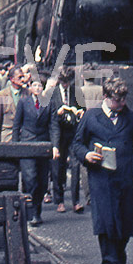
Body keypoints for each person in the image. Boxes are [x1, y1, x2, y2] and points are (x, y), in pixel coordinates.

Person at [71, 77, 133, 264]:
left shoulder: (132, 118)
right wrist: (86, 155)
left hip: (126, 178)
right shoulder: (91, 117)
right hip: (101, 179)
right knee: (106, 221)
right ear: (106, 97)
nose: (122, 103)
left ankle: (119, 250)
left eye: (124, 99)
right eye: (118, 100)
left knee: (126, 222)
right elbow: (76, 144)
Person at [13, 73, 57, 226]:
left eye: (40, 86)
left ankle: (37, 211)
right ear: (30, 87)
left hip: (43, 145)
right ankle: (30, 212)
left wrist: (55, 146)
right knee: (30, 178)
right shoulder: (23, 102)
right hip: (27, 144)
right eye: (35, 85)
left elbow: (53, 126)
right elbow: (16, 125)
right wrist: (15, 147)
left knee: (42, 181)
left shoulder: (49, 103)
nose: (37, 88)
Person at [51, 68, 84, 213]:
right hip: (59, 134)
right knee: (58, 167)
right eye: (63, 82)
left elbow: (83, 108)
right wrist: (58, 113)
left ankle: (76, 201)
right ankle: (59, 200)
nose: (66, 85)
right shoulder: (53, 93)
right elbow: (50, 116)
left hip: (73, 133)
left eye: (68, 82)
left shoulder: (76, 92)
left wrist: (80, 112)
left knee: (75, 166)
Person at [0, 64, 28, 142]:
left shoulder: (28, 93)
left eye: (23, 77)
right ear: (12, 79)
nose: (22, 79)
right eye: (19, 77)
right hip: (7, 137)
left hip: (24, 137)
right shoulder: (1, 95)